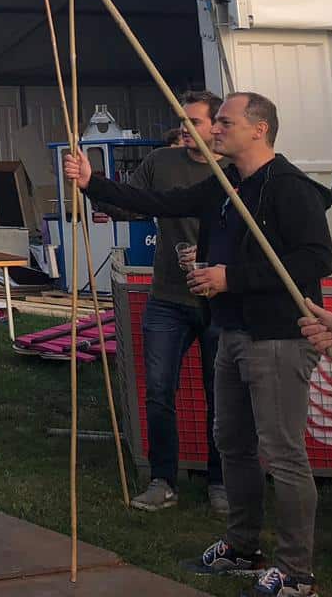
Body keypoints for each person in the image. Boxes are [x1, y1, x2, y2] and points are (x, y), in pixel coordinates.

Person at [64, 92, 332, 597]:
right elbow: (163, 205)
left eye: (225, 122)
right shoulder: (227, 182)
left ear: (259, 129)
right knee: (232, 441)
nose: (215, 131)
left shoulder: (291, 188)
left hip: (275, 337)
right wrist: (92, 182)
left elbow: (316, 259)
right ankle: (242, 547)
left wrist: (233, 278)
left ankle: (297, 574)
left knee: (283, 452)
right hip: (231, 330)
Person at [88, 92, 226, 515]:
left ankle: (221, 481)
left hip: (222, 301)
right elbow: (132, 203)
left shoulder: (237, 173)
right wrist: (92, 187)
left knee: (221, 395)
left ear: (216, 128)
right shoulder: (162, 163)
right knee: (159, 390)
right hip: (168, 295)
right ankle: (163, 480)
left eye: (195, 122)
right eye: (182, 120)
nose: (184, 128)